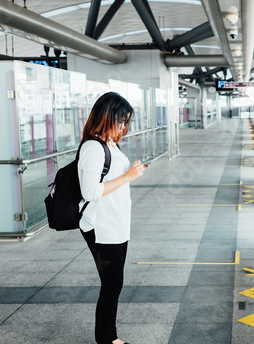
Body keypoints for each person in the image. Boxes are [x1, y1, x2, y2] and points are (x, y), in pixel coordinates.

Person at [77, 92, 145, 344]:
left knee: (114, 282)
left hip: (115, 224)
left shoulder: (109, 144)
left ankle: (107, 337)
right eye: (121, 121)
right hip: (101, 226)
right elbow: (90, 191)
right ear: (107, 117)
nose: (124, 127)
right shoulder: (93, 147)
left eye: (127, 122)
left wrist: (129, 173)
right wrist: (128, 176)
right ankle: (108, 339)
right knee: (112, 283)